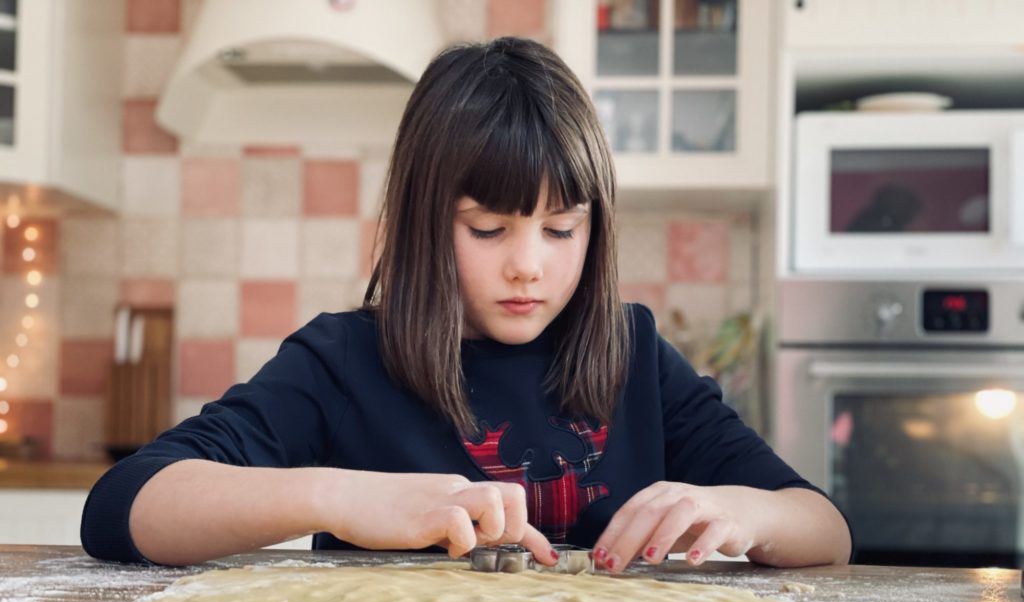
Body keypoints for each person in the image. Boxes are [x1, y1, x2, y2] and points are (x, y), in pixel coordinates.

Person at [81, 37, 852, 571]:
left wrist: (744, 513)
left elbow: (826, 531)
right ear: (424, 220)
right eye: (488, 228)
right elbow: (121, 506)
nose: (528, 266)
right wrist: (341, 496)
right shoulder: (344, 362)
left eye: (560, 229)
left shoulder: (634, 354)